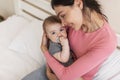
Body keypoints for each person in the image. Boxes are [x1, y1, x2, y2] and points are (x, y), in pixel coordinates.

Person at [41, 0, 117, 80]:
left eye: (63, 15)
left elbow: (65, 76)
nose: (63, 23)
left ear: (79, 3)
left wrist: (44, 50)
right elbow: (52, 37)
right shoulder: (76, 21)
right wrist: (49, 66)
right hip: (56, 65)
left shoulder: (107, 41)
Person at [43, 15, 83, 80]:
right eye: (53, 33)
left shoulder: (65, 38)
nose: (59, 34)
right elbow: (64, 59)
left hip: (70, 68)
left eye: (61, 30)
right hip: (60, 74)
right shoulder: (53, 47)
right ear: (47, 36)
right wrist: (65, 44)